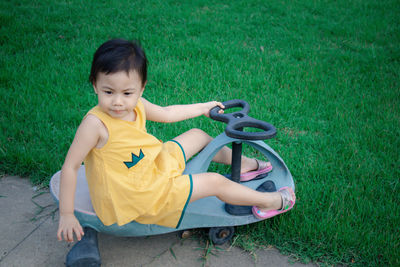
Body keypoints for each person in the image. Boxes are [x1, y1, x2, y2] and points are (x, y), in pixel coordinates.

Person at [57, 39, 295, 243]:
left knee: (198, 135)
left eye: (127, 93)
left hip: (151, 168)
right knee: (214, 182)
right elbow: (71, 166)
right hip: (139, 197)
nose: (118, 102)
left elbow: (168, 113)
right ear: (95, 85)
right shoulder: (95, 125)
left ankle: (245, 166)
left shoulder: (137, 105)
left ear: (141, 89)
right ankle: (270, 201)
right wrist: (67, 213)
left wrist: (203, 107)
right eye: (108, 92)